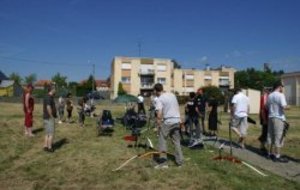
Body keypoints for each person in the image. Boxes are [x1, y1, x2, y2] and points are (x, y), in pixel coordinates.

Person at [154, 83, 184, 168]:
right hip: (177, 121)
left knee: (162, 140)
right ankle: (180, 162)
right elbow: (177, 108)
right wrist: (180, 121)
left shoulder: (159, 99)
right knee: (176, 142)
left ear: (156, 91)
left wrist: (158, 125)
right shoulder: (172, 95)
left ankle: (163, 163)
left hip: (168, 122)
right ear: (162, 88)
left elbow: (159, 114)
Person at [266, 81, 289, 162]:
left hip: (271, 117)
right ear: (279, 87)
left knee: (270, 136)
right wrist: (288, 107)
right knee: (278, 137)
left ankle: (269, 154)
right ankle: (277, 156)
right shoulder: (280, 95)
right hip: (278, 118)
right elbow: (284, 107)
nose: (282, 88)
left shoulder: (270, 95)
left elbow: (267, 106)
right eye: (282, 87)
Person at [43, 84, 57, 152]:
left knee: (47, 133)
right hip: (49, 118)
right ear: (52, 89)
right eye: (55, 89)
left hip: (46, 118)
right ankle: (49, 147)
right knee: (51, 133)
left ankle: (45, 146)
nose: (56, 90)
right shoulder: (49, 97)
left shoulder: (48, 97)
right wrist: (52, 117)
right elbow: (48, 107)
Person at [258, 88, 270, 153]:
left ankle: (262, 146)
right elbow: (262, 109)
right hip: (264, 117)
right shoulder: (264, 97)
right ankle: (262, 146)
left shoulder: (267, 96)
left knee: (266, 131)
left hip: (266, 116)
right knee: (265, 131)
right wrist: (264, 119)